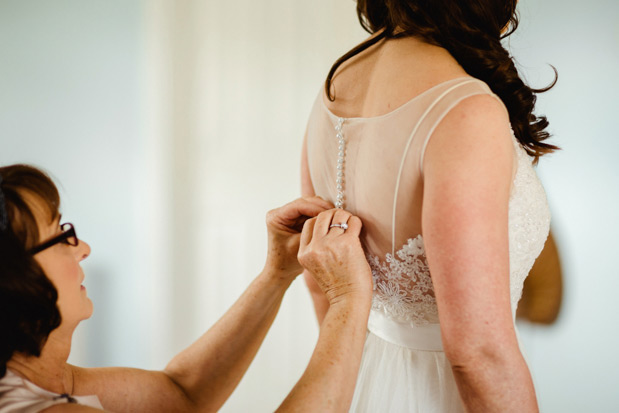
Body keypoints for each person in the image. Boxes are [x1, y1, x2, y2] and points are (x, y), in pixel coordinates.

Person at [300, 0, 557, 411]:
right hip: (446, 397)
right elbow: (479, 353)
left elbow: (319, 281)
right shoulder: (465, 109)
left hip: (364, 381)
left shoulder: (335, 86)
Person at [0, 164, 372, 412]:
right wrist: (347, 298)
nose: (83, 248)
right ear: (16, 279)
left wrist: (276, 273)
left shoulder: (42, 380)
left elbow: (182, 395)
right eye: (60, 235)